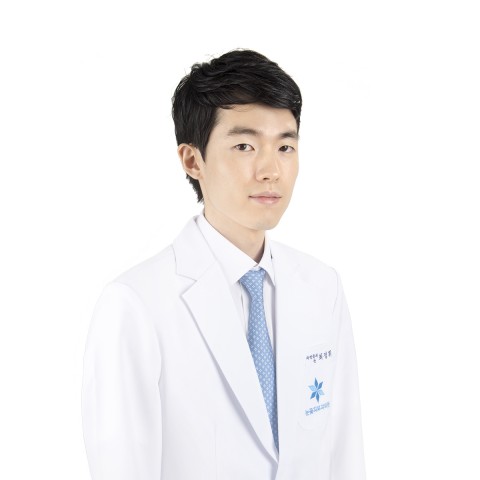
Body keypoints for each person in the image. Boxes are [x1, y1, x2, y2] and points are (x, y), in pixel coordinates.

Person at [81, 49, 366, 480]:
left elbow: (344, 455)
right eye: (244, 146)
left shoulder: (322, 287)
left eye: (285, 146)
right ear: (192, 160)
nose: (270, 169)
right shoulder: (135, 304)